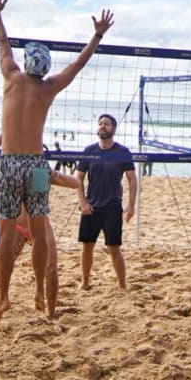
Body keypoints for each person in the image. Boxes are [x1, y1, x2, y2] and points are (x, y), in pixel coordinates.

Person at [0, 0, 113, 323]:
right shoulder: (49, 88)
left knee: (5, 235)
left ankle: (2, 298)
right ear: (44, 67)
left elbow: (3, 42)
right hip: (37, 166)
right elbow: (78, 64)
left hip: (9, 165)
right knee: (40, 229)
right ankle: (39, 292)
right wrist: (98, 35)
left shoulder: (12, 77)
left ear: (27, 62)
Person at [0, 168, 80, 318]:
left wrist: (56, 175)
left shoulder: (39, 169)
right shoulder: (12, 165)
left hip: (40, 225)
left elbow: (74, 183)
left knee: (51, 267)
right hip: (17, 226)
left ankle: (50, 312)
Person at [75, 113, 137, 290]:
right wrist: (83, 203)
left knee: (114, 248)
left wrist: (131, 206)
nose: (103, 126)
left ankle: (122, 285)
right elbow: (78, 178)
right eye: (100, 123)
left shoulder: (122, 152)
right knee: (87, 247)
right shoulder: (89, 151)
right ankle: (85, 282)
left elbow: (132, 179)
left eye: (107, 124)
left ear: (114, 129)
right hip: (91, 207)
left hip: (112, 208)